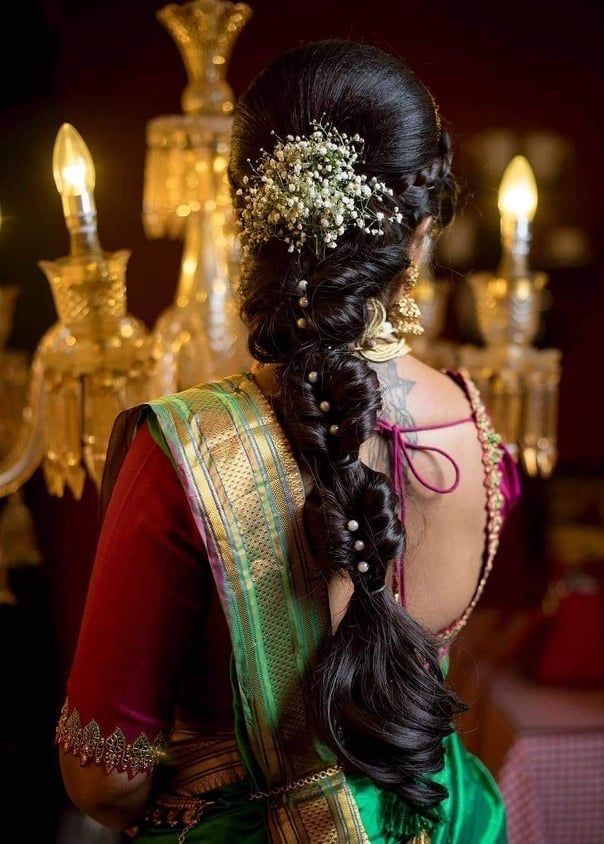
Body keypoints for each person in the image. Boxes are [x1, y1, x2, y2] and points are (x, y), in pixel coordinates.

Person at [57, 40, 521, 843]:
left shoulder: (184, 452)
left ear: (248, 216)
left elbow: (103, 778)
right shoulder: (483, 440)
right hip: (443, 823)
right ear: (422, 225)